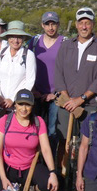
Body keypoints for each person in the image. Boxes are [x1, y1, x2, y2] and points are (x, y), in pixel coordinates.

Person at [0, 89, 58, 191]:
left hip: (29, 167)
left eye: (27, 104)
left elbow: (45, 149)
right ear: (15, 105)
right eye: (21, 104)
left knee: (48, 184)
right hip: (9, 168)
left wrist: (53, 172)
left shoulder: (38, 122)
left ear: (32, 106)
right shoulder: (5, 121)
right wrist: (3, 178)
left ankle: (32, 190)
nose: (24, 108)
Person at [54, 7, 97, 149]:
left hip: (89, 105)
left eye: (87, 23)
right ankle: (62, 170)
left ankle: (81, 171)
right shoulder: (66, 46)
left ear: (93, 25)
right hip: (66, 104)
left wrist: (80, 99)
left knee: (87, 143)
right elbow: (58, 73)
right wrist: (67, 100)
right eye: (81, 23)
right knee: (63, 141)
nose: (84, 27)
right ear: (76, 25)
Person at [27, 11, 66, 155]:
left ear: (58, 25)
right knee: (34, 129)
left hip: (56, 96)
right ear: (42, 25)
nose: (50, 27)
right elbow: (27, 66)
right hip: (36, 93)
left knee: (52, 132)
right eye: (47, 24)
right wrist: (33, 90)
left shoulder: (65, 43)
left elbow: (68, 70)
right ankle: (35, 163)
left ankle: (51, 165)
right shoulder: (34, 42)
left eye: (53, 24)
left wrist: (55, 94)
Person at [0, 21, 36, 120]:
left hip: (18, 106)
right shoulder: (1, 54)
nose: (15, 40)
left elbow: (30, 81)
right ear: (7, 38)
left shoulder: (28, 55)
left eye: (19, 37)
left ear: (23, 39)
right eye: (12, 37)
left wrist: (13, 99)